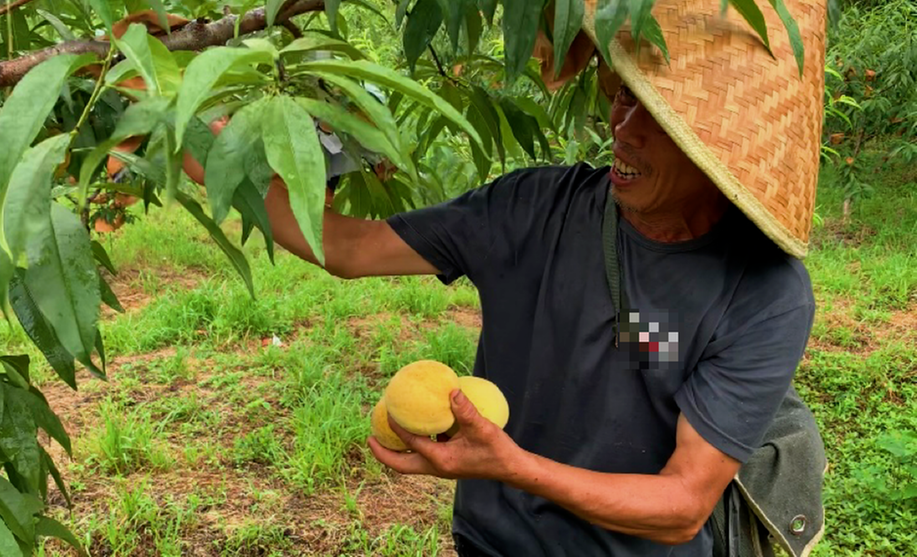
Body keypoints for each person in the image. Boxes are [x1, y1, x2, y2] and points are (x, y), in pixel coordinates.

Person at [259, 2, 830, 555]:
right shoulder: (532, 209)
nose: (622, 130)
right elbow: (347, 248)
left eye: (657, 118)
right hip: (493, 540)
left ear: (713, 153)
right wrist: (214, 144)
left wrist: (510, 467)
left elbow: (682, 505)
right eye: (625, 96)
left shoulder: (763, 292)